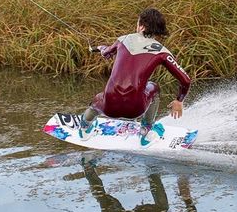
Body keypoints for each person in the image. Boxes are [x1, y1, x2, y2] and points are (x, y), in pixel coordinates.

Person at [80, 8, 190, 145]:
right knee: (153, 87)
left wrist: (99, 48)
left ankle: (84, 127)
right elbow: (185, 80)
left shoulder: (123, 40)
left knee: (98, 99)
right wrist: (179, 100)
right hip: (136, 109)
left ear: (142, 26)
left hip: (109, 107)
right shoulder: (163, 52)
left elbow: (106, 52)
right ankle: (146, 131)